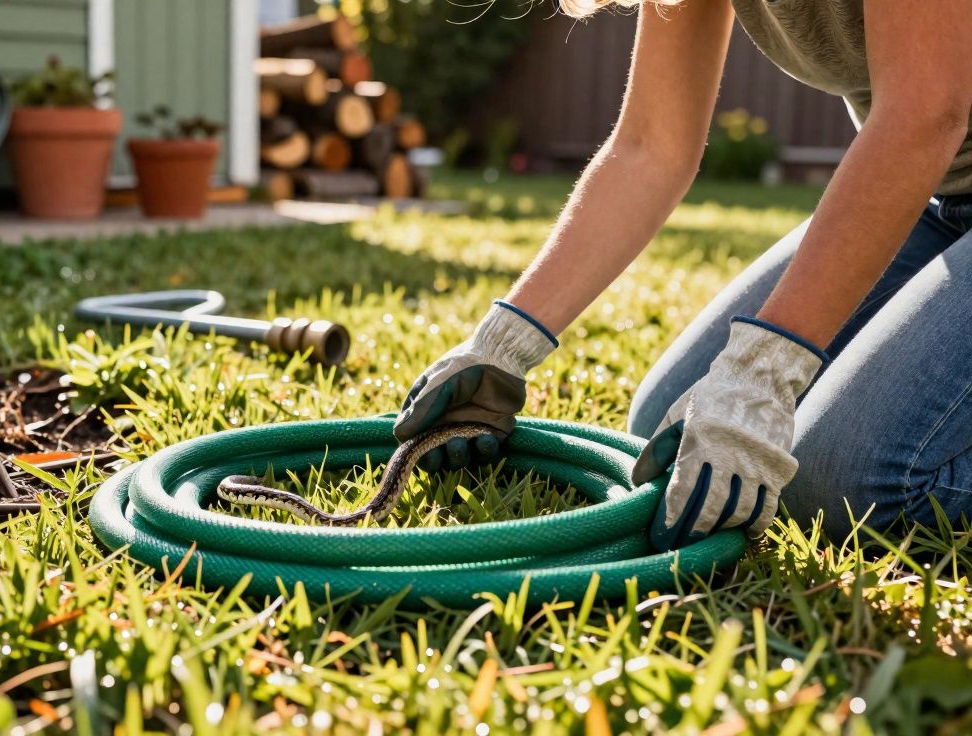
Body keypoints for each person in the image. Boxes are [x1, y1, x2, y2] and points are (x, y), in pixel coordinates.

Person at [395, 0, 972, 548]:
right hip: (939, 197)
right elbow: (651, 145)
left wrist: (763, 371)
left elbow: (926, 110)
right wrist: (504, 345)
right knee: (665, 425)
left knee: (850, 488)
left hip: (928, 148)